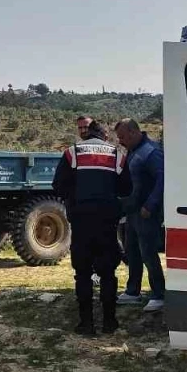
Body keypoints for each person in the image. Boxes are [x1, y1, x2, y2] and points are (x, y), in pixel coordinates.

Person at [52, 119, 131, 336]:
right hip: (107, 221)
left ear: (87, 134)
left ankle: (86, 323)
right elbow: (126, 188)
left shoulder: (73, 153)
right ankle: (109, 322)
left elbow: (58, 185)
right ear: (105, 135)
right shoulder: (116, 154)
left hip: (81, 221)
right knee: (107, 273)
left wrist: (75, 198)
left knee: (83, 273)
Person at [114, 118, 166, 313]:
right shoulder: (133, 151)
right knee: (132, 251)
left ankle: (159, 294)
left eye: (122, 137)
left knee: (148, 253)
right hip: (132, 212)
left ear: (134, 133)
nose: (120, 141)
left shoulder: (151, 152)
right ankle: (133, 291)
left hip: (146, 213)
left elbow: (162, 179)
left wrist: (150, 206)